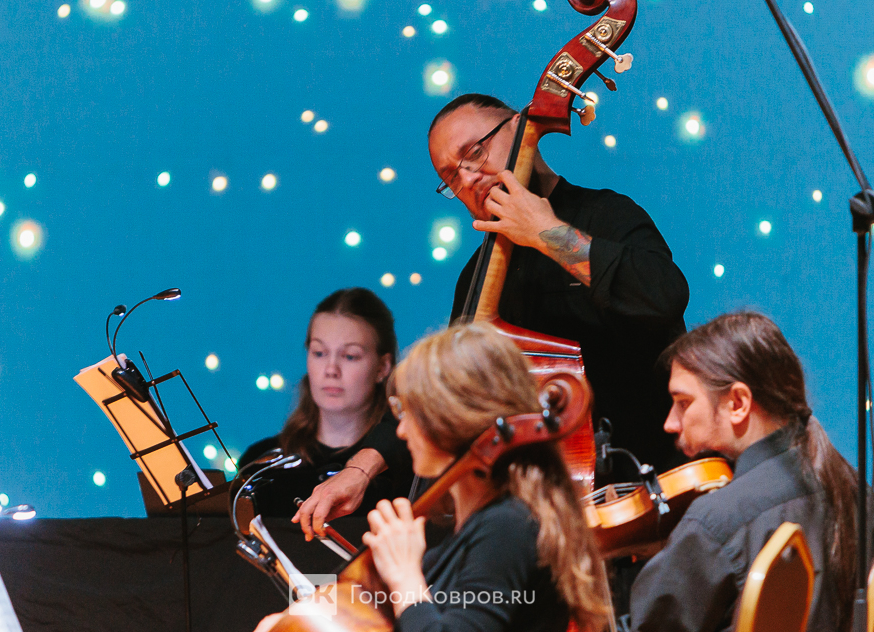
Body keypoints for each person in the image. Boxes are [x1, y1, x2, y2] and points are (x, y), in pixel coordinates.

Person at [294, 92, 689, 540]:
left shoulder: (609, 214)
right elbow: (441, 390)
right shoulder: (477, 278)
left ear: (521, 129)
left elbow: (664, 297)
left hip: (648, 496)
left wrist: (547, 234)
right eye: (450, 176)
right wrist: (359, 471)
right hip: (541, 520)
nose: (467, 177)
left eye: (474, 153)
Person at [254, 322, 610, 632]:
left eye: (408, 412)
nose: (401, 431)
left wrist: (404, 575)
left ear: (451, 420)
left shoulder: (508, 526)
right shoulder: (474, 529)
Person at [628, 312, 874, 632]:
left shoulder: (715, 522)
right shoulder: (860, 496)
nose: (670, 423)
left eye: (683, 403)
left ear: (738, 403)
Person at [237, 287, 413, 519]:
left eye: (350, 356)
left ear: (383, 367)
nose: (331, 370)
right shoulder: (260, 463)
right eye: (319, 353)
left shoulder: (410, 466)